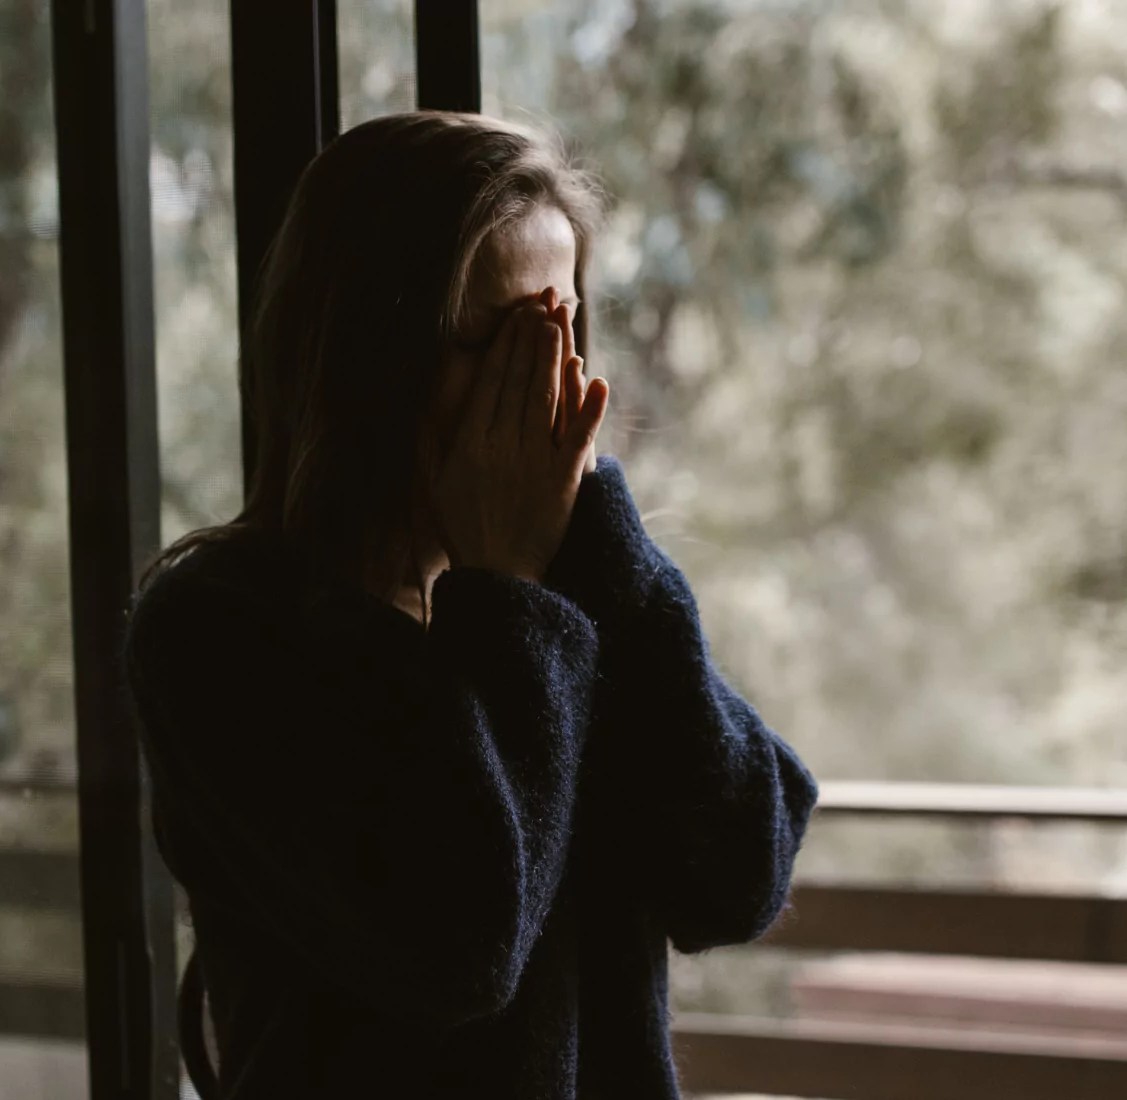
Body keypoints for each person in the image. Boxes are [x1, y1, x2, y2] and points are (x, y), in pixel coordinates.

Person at [123, 111, 819, 1100]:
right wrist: (509, 594)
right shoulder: (220, 629)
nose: (538, 383)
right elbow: (457, 939)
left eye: (563, 327)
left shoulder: (578, 596)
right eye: (491, 339)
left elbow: (742, 869)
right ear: (366, 351)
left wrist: (598, 541)